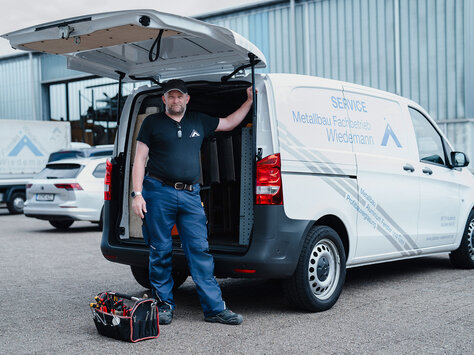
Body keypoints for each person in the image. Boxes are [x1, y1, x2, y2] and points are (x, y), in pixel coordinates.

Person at [131, 79, 254, 325]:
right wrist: (137, 194)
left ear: (187, 99)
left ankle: (214, 309)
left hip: (190, 194)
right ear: (164, 99)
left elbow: (230, 123)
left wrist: (250, 100)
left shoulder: (199, 120)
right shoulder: (152, 123)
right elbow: (139, 159)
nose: (175, 100)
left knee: (199, 250)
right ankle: (164, 306)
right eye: (171, 96)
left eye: (180, 96)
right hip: (158, 191)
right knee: (160, 249)